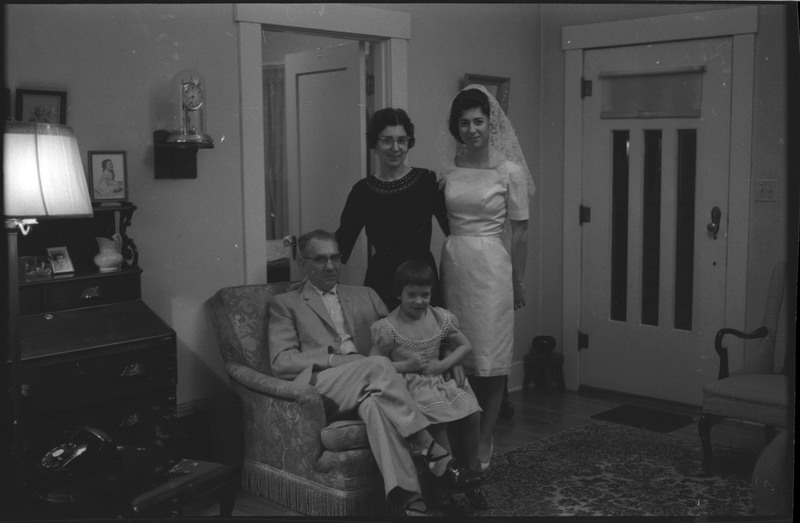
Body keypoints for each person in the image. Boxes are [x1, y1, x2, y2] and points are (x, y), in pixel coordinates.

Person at [267, 230, 484, 516]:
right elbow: (281, 362)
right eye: (320, 259)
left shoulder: (364, 295)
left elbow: (406, 327)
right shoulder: (286, 303)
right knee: (378, 365)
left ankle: (411, 502)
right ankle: (432, 451)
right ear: (303, 262)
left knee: (375, 406)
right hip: (324, 386)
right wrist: (335, 359)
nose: (330, 266)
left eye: (335, 257)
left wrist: (446, 354)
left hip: (374, 384)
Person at [436, 85, 535, 472]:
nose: (471, 129)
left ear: (491, 124)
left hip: (492, 264)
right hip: (455, 263)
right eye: (464, 122)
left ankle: (485, 436)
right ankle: (461, 430)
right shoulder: (448, 168)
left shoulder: (509, 171)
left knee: (491, 359)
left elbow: (522, 231)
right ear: (455, 127)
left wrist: (519, 282)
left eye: (478, 121)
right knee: (458, 351)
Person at [370, 260, 487, 515]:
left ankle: (471, 476)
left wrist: (443, 364)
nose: (419, 301)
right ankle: (451, 486)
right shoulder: (388, 327)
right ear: (397, 293)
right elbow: (373, 364)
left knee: (472, 413)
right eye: (411, 295)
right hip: (413, 385)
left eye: (425, 295)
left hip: (439, 379)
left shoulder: (440, 317)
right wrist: (405, 364)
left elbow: (465, 346)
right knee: (440, 423)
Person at [336, 108, 449, 310]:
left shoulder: (427, 181)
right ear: (375, 144)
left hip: (421, 281)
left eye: (402, 140)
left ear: (409, 143)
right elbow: (342, 243)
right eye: (387, 140)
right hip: (382, 282)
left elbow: (454, 229)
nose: (395, 148)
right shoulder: (362, 191)